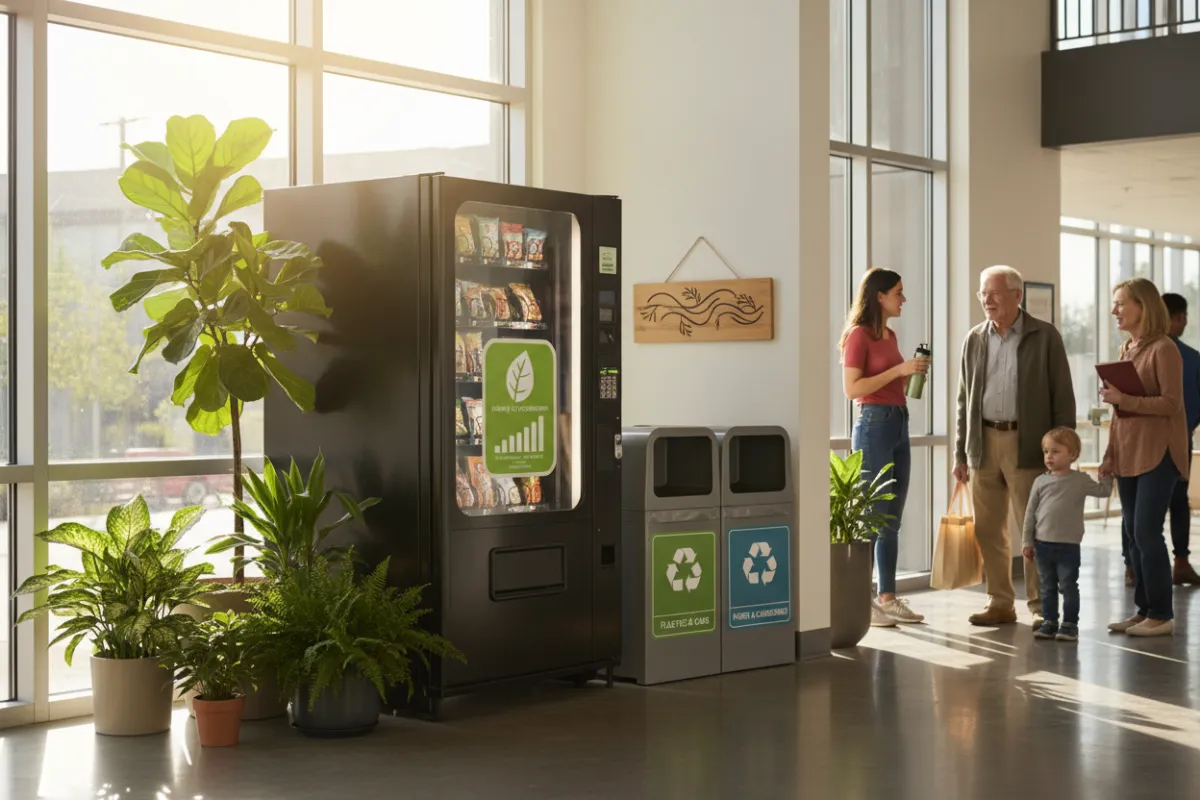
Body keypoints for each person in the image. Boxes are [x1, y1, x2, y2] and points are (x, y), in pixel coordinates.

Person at [954, 265, 1076, 627]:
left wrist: (1061, 450)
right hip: (984, 444)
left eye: (993, 292)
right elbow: (965, 400)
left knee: (1035, 528)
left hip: (1030, 445)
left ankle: (1040, 606)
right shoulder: (974, 338)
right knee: (988, 529)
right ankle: (1000, 602)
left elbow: (1062, 397)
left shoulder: (1045, 336)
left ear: (1016, 295)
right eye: (982, 293)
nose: (986, 300)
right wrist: (961, 452)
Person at [841, 268, 930, 626]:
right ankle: (861, 601)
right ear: (879, 295)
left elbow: (891, 381)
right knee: (870, 516)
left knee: (891, 518)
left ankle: (888, 597)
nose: (903, 298)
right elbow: (852, 389)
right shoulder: (858, 336)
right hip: (873, 424)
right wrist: (898, 371)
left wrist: (910, 373)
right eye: (898, 292)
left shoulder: (889, 335)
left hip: (898, 421)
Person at [1100, 278, 1187, 637]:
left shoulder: (1164, 349)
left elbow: (1171, 404)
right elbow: (1120, 415)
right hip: (1129, 452)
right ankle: (1144, 610)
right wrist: (1108, 454)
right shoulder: (1126, 349)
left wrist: (1125, 400)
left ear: (1143, 307)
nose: (1114, 310)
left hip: (1160, 453)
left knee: (1147, 533)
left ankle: (1162, 615)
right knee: (1133, 536)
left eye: (1121, 303)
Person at [1021, 427, 1113, 642]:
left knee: (1069, 586)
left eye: (1055, 451)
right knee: (1047, 586)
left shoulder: (1080, 480)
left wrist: (1106, 475)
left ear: (1073, 454)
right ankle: (1050, 621)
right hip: (1042, 545)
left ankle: (1070, 624)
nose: (1049, 457)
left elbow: (1103, 491)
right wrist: (1027, 541)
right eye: (1046, 452)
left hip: (1069, 546)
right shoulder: (1040, 482)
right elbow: (1029, 514)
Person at [1162, 293, 1200, 586]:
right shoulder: (1191, 357)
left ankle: (1132, 567)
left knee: (1138, 507)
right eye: (1180, 315)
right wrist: (1185, 427)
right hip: (1180, 439)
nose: (1185, 321)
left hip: (1151, 440)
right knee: (1178, 500)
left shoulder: (1139, 350)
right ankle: (1181, 561)